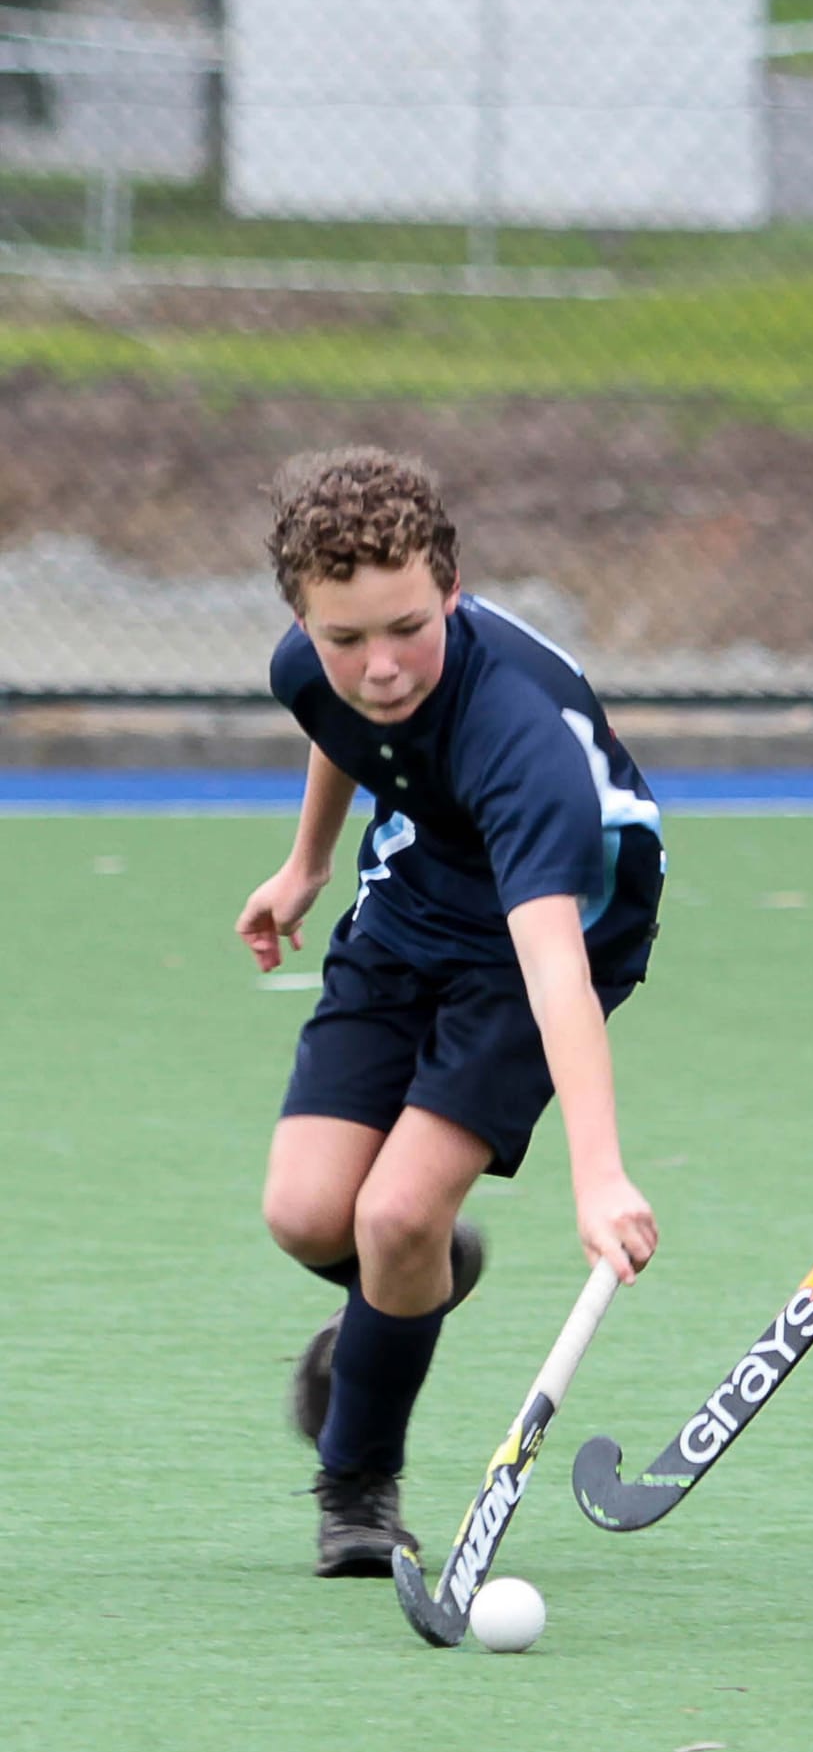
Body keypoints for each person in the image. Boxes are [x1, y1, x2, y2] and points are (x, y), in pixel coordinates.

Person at [236, 447, 665, 1577]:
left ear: (454, 593)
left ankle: (357, 1485)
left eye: (408, 629)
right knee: (306, 1214)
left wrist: (599, 1176)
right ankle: (411, 1284)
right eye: (345, 638)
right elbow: (342, 726)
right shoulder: (309, 665)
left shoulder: (519, 744)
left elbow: (554, 971)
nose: (379, 668)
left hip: (558, 931)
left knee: (394, 1217)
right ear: (303, 621)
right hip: (415, 897)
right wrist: (307, 864)